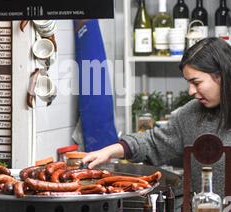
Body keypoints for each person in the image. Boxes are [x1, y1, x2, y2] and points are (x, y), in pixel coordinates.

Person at [83, 37, 231, 198]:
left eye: (196, 82)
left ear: (220, 75)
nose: (191, 91)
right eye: (188, 83)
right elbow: (153, 143)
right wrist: (111, 150)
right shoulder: (190, 114)